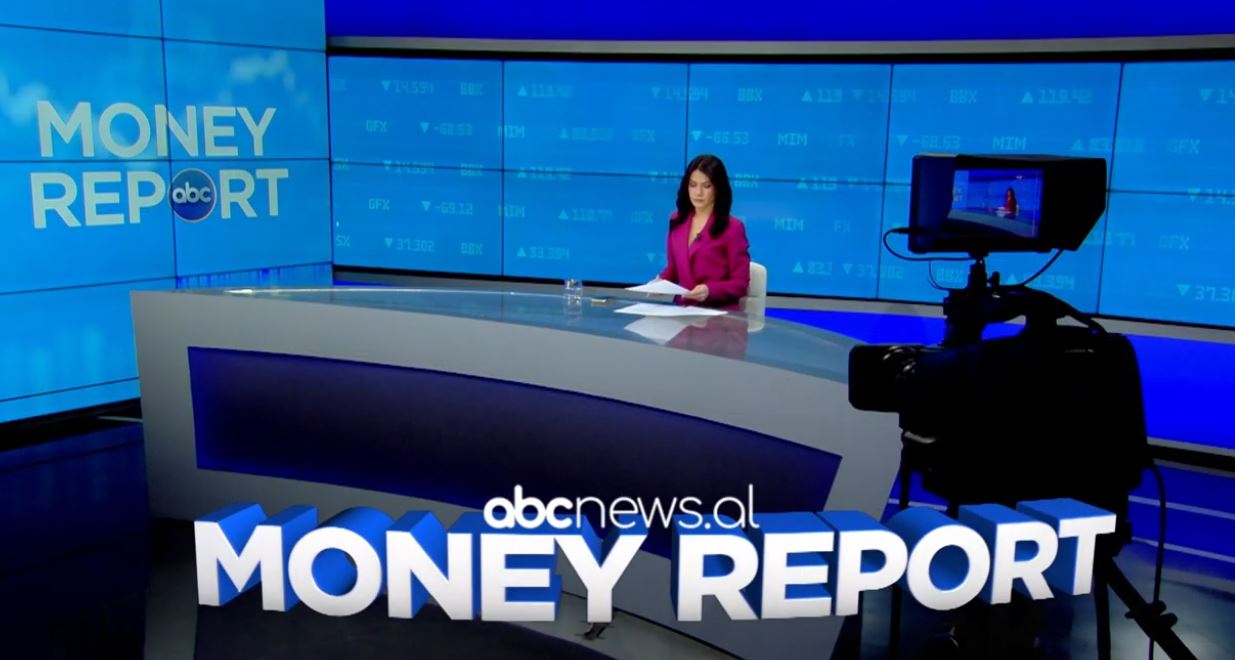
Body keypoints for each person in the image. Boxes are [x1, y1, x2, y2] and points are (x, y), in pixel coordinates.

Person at [654, 154, 751, 309]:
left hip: (719, 314)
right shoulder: (677, 220)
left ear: (718, 189)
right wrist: (660, 282)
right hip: (682, 311)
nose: (698, 193)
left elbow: (740, 284)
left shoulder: (733, 228)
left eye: (706, 186)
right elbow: (673, 270)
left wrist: (709, 290)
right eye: (693, 185)